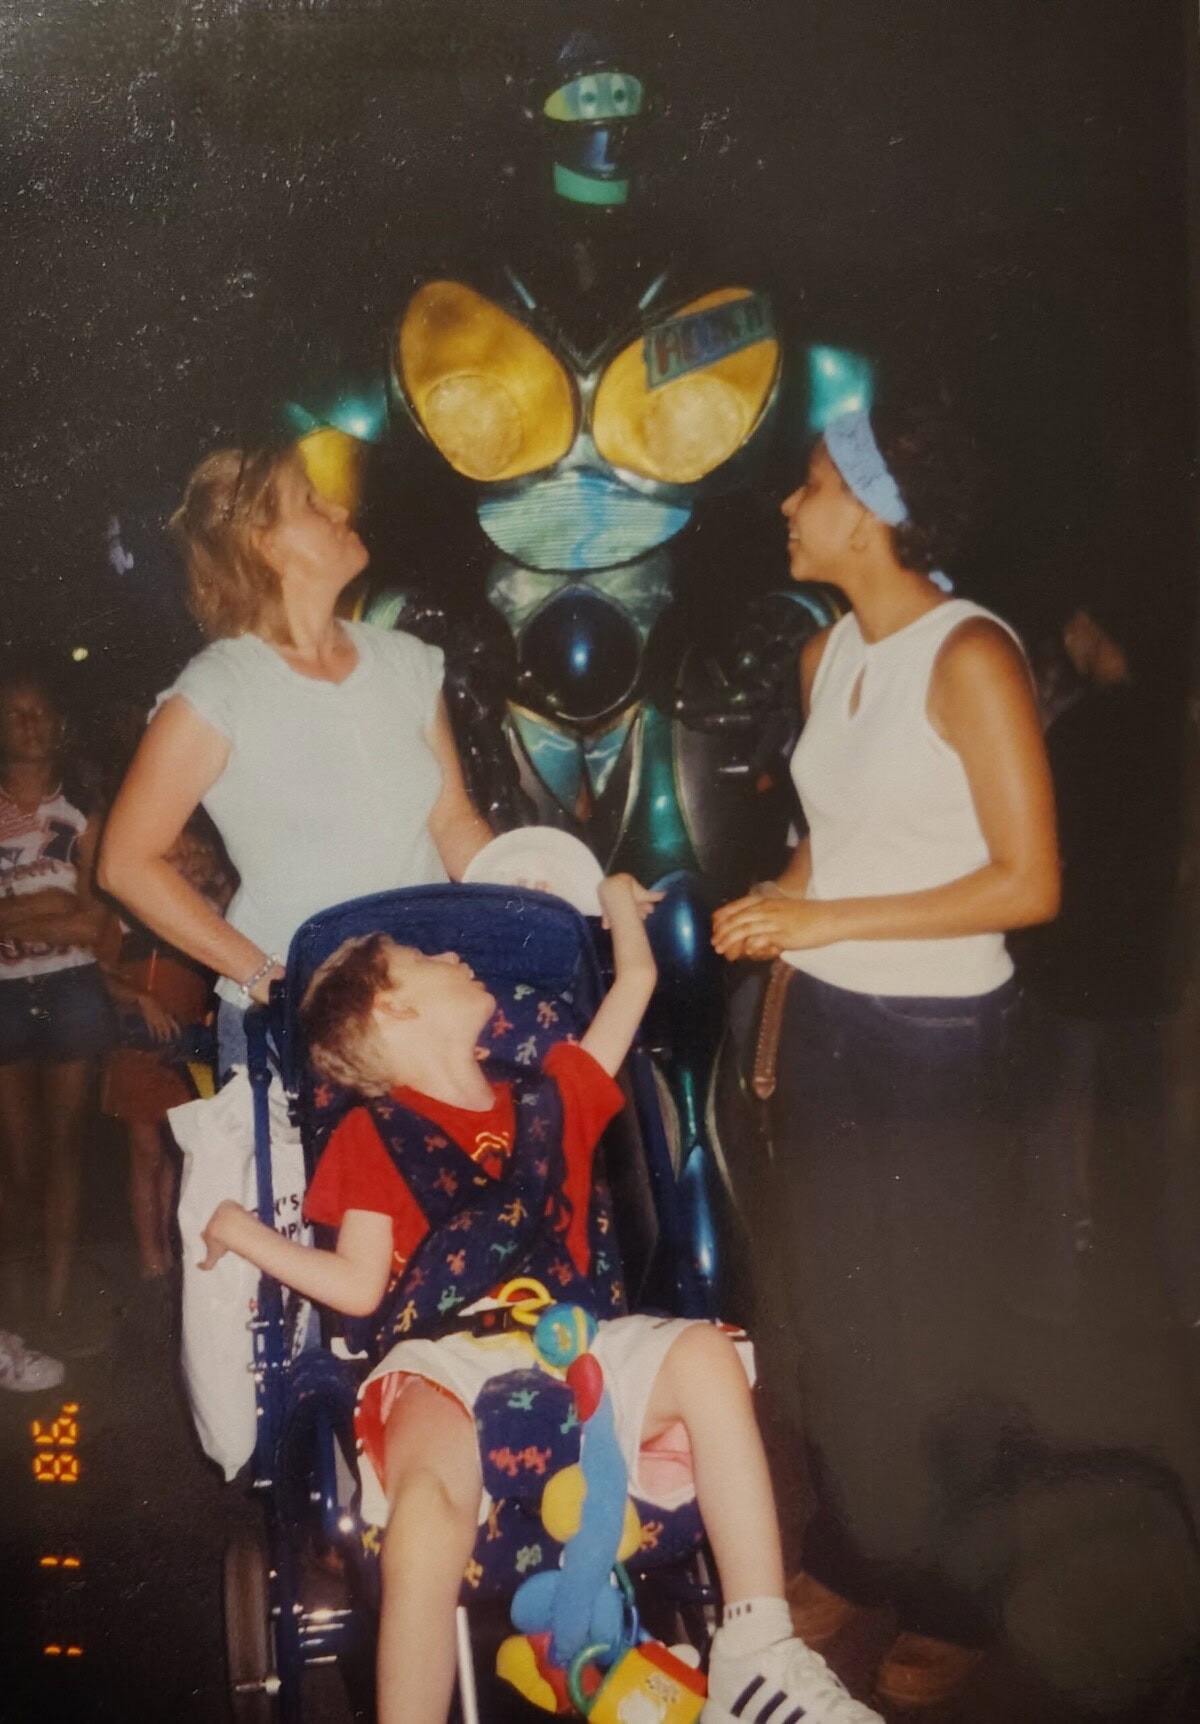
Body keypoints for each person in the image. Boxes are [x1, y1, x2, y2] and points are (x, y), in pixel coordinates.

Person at [198, 874, 883, 1724]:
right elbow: (358, 1287)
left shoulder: (554, 1092)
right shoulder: (369, 1137)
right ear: (391, 1013)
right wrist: (240, 1227)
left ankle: (757, 1647)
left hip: (573, 1338)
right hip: (445, 1348)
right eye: (427, 958)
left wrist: (617, 906)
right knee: (424, 1504)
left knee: (705, 1354)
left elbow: (632, 988)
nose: (455, 955)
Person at [712, 405, 1060, 1708]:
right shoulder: (826, 659)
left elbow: (1029, 881)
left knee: (939, 1337)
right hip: (830, 1027)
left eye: (809, 487)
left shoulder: (968, 655)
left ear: (873, 508)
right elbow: (839, 843)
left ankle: (961, 1609)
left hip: (936, 1042)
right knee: (840, 1328)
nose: (789, 509)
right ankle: (857, 1564)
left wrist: (823, 916)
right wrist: (772, 902)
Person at [99, 443, 493, 1076]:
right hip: (295, 1028)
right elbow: (124, 863)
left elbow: (453, 823)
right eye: (310, 502)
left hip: (418, 1010)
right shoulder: (221, 687)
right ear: (266, 545)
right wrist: (264, 976)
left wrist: (549, 885)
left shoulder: (407, 662)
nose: (338, 508)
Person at [0, 665, 115, 1367]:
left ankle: (58, 1293)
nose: (31, 724)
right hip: (4, 996)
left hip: (71, 992)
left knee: (66, 1150)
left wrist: (24, 912)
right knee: (19, 1157)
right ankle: (21, 1290)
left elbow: (97, 923)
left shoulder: (85, 815)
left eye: (41, 712)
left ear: (60, 726)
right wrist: (48, 908)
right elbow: (70, 911)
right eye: (15, 714)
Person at [99, 815, 232, 1283]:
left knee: (179, 1149)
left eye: (179, 856)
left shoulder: (208, 915)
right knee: (144, 1150)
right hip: (138, 1042)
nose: (172, 864)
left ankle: (173, 1249)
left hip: (186, 1046)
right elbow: (101, 976)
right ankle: (150, 1254)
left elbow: (222, 981)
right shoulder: (125, 915)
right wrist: (142, 997)